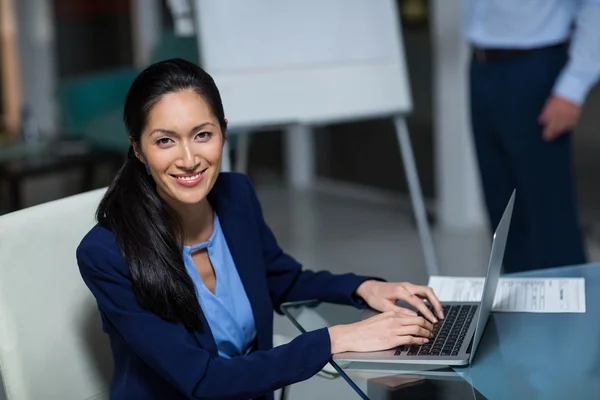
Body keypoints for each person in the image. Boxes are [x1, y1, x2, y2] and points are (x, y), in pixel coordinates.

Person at [76, 58, 445, 400]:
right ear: (138, 149)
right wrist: (337, 337)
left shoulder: (236, 195)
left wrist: (364, 288)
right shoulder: (107, 254)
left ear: (223, 132)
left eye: (202, 134)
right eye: (165, 141)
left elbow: (281, 278)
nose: (189, 160)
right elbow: (202, 380)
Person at [463, 0, 600, 273]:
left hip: (535, 67)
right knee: (502, 210)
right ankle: (520, 309)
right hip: (481, 64)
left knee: (550, 215)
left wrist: (573, 87)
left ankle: (573, 311)